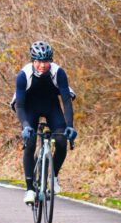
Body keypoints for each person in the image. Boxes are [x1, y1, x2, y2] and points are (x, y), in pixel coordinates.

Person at [10, 41, 77, 204]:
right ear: (33, 61)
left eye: (46, 61)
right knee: (30, 142)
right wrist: (25, 126)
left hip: (51, 105)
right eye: (38, 61)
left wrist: (69, 126)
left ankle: (53, 177)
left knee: (61, 140)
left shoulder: (58, 73)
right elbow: (19, 105)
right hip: (29, 106)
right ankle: (30, 189)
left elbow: (67, 102)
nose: (42, 65)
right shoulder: (23, 75)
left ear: (50, 61)